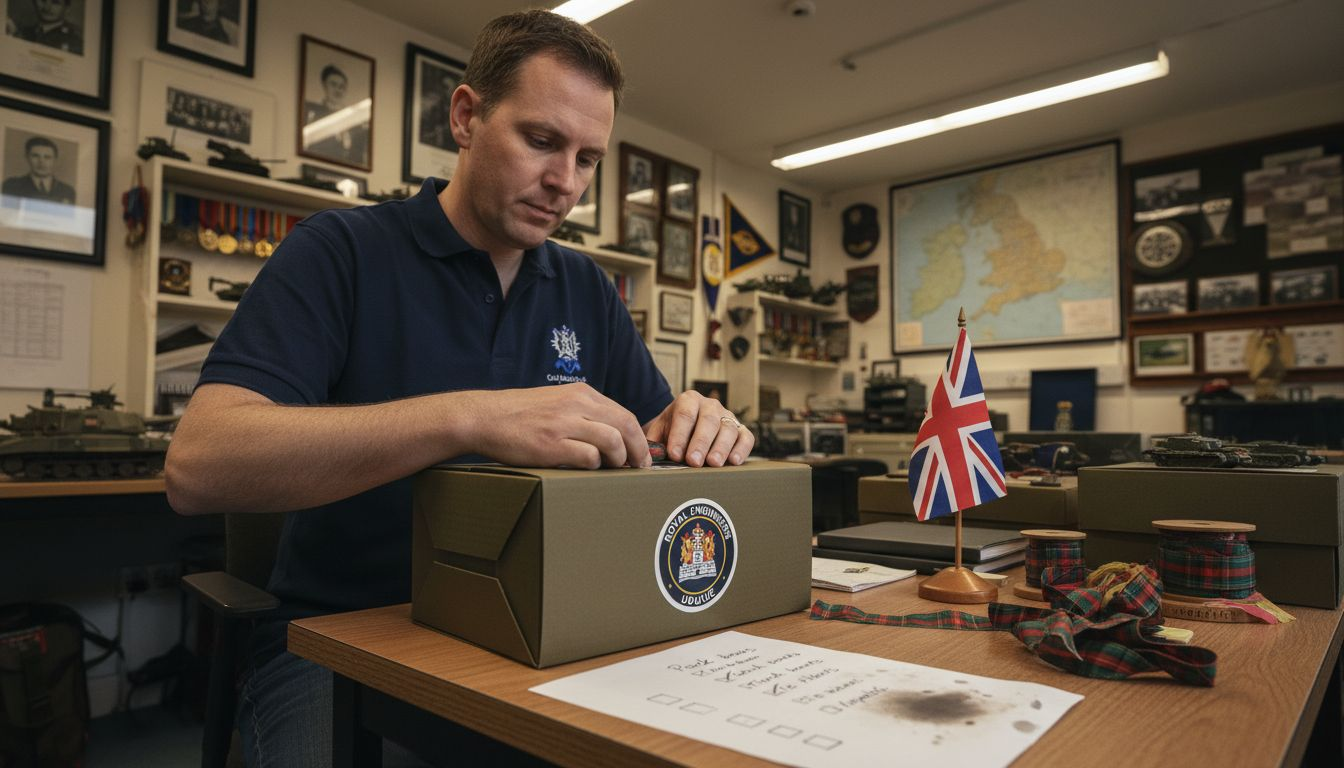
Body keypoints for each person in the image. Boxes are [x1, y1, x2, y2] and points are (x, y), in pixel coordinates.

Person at [166, 9, 753, 767]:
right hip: (345, 637)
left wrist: (699, 429)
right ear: (467, 117)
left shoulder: (587, 289)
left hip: (543, 635)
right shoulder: (341, 252)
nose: (563, 183)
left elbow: (656, 450)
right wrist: (470, 417)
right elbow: (198, 465)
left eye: (586, 158)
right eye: (541, 141)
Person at [302, 63, 369, 166]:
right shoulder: (313, 113)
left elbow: (360, 156)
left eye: (342, 86)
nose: (338, 90)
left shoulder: (356, 120)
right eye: (333, 85)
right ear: (325, 86)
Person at [2, 136, 76, 204]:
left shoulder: (67, 191)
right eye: (35, 156)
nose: (41, 162)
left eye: (47, 157)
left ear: (55, 160)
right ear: (27, 157)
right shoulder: (12, 186)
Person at [8, 0, 82, 54]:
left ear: (67, 9)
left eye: (55, 2)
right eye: (43, 0)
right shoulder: (23, 32)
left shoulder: (75, 41)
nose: (47, 7)